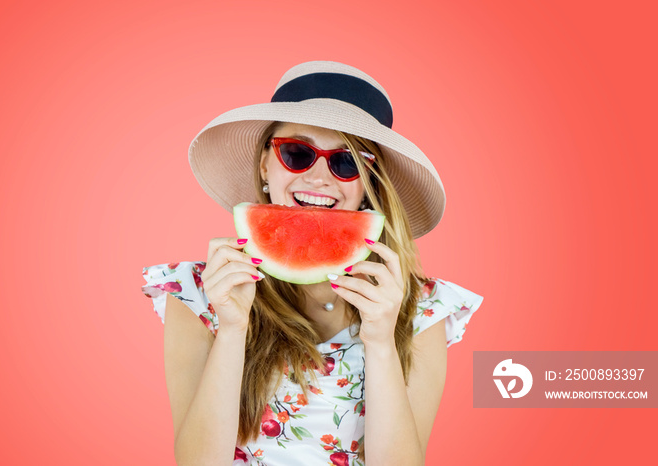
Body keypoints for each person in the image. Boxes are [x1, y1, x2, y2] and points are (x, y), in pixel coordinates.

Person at [141, 61, 484, 466]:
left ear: (369, 184)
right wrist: (232, 329)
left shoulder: (421, 308)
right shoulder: (199, 291)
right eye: (297, 153)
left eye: (346, 162)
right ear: (266, 163)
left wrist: (380, 342)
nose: (320, 177)